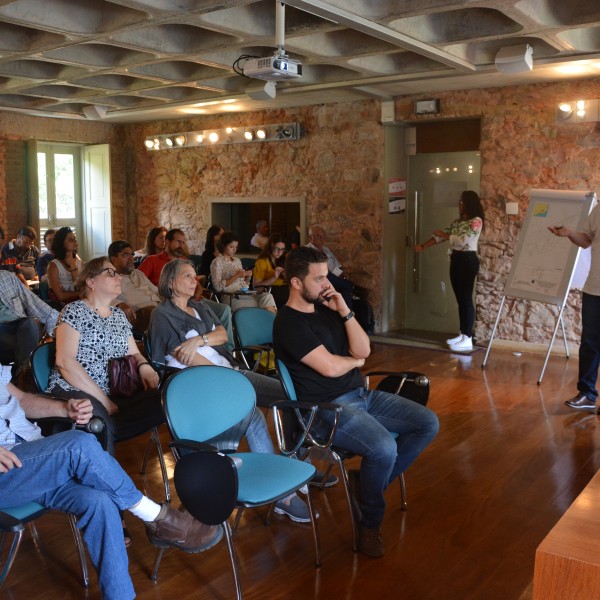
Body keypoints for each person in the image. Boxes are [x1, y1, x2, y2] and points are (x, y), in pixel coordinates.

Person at [273, 246, 439, 557]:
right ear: (296, 283)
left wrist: (345, 312)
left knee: (427, 423)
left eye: (327, 276)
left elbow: (364, 350)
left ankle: (366, 486)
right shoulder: (289, 322)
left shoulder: (328, 310)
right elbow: (331, 367)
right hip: (325, 410)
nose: (327, 284)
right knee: (383, 447)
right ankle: (370, 522)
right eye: (319, 278)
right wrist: (354, 361)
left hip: (361, 396)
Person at [0, 368, 221, 600]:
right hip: (7, 474)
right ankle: (155, 516)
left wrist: (64, 409)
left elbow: (21, 399)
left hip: (30, 460)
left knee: (101, 501)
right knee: (79, 445)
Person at [147, 258, 316, 523]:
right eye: (188, 276)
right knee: (252, 414)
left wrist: (198, 340)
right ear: (170, 283)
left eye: (195, 276)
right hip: (207, 382)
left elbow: (223, 335)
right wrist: (226, 381)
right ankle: (285, 498)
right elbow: (182, 356)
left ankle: (293, 458)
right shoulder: (163, 314)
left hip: (232, 371)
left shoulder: (200, 306)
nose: (195, 281)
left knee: (290, 395)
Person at [46, 257, 164, 457]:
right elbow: (65, 362)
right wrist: (104, 401)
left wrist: (144, 366)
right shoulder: (74, 311)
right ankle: (98, 466)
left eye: (116, 273)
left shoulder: (118, 316)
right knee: (99, 423)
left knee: (164, 399)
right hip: (75, 389)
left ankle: (88, 441)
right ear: (91, 282)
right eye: (110, 273)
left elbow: (134, 352)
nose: (118, 276)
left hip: (115, 389)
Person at [108, 239, 234, 350]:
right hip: (141, 312)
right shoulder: (109, 277)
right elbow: (95, 298)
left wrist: (180, 297)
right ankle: (197, 347)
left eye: (132, 254)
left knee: (214, 310)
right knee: (161, 312)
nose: (131, 258)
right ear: (114, 259)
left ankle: (221, 349)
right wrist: (119, 304)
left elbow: (158, 291)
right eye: (125, 255)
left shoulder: (138, 274)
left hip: (164, 305)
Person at [414, 190, 485, 352]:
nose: (459, 205)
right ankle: (462, 333)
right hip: (456, 259)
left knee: (466, 297)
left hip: (468, 260)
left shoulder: (476, 221)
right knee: (459, 298)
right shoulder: (458, 222)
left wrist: (445, 235)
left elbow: (463, 240)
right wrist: (423, 246)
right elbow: (439, 236)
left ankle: (468, 337)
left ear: (469, 203)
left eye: (461, 202)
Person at [549, 206, 600, 411]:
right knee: (590, 343)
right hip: (594, 288)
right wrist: (570, 233)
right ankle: (587, 393)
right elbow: (586, 240)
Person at [0, 270, 58, 377]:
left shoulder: (6, 277)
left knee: (29, 324)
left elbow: (31, 301)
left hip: (16, 325)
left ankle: (25, 373)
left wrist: (59, 319)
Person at [211, 231, 277, 314]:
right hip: (230, 296)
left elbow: (244, 284)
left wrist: (248, 276)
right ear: (223, 246)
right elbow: (217, 287)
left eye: (236, 247)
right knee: (260, 305)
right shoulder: (217, 262)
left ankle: (271, 325)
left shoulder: (237, 261)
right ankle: (267, 323)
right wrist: (237, 275)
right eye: (231, 247)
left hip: (243, 293)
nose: (234, 249)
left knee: (267, 297)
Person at [306, 225, 356, 308]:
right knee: (329, 276)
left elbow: (338, 266)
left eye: (323, 236)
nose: (322, 239)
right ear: (310, 238)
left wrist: (341, 276)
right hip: (322, 278)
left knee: (345, 292)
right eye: (319, 236)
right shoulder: (307, 250)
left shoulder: (326, 249)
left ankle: (348, 315)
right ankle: (353, 287)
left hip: (334, 278)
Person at [47, 226, 84, 304]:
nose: (75, 241)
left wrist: (73, 265)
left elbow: (80, 287)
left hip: (83, 304)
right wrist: (81, 293)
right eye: (71, 239)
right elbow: (61, 296)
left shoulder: (80, 263)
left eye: (74, 238)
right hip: (64, 307)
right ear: (61, 243)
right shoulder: (53, 266)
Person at [253, 233, 289, 308]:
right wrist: (274, 277)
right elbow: (257, 287)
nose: (280, 252)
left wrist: (287, 275)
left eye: (282, 249)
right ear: (271, 247)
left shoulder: (284, 259)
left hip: (286, 288)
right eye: (277, 249)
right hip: (272, 290)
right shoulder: (262, 261)